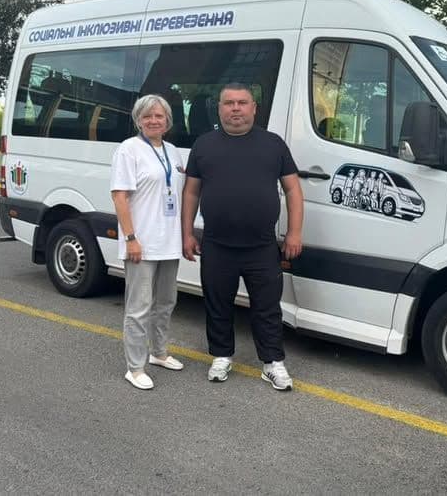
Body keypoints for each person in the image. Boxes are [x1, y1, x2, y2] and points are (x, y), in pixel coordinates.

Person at [182, 83, 304, 391]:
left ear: (254, 108)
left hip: (261, 246)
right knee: (217, 304)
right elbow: (191, 192)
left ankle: (272, 362)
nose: (235, 108)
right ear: (219, 108)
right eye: (228, 103)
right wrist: (186, 233)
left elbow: (293, 189)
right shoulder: (204, 145)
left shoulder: (273, 144)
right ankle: (221, 356)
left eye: (242, 102)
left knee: (267, 307)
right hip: (217, 245)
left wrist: (294, 232)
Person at [110, 94, 185, 390]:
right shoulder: (129, 150)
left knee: (166, 301)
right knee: (139, 306)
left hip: (169, 240)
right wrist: (131, 238)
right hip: (141, 242)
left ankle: (159, 353)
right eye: (147, 116)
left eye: (159, 116)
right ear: (138, 120)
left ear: (167, 120)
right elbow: (120, 196)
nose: (154, 120)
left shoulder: (172, 150)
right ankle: (135, 366)